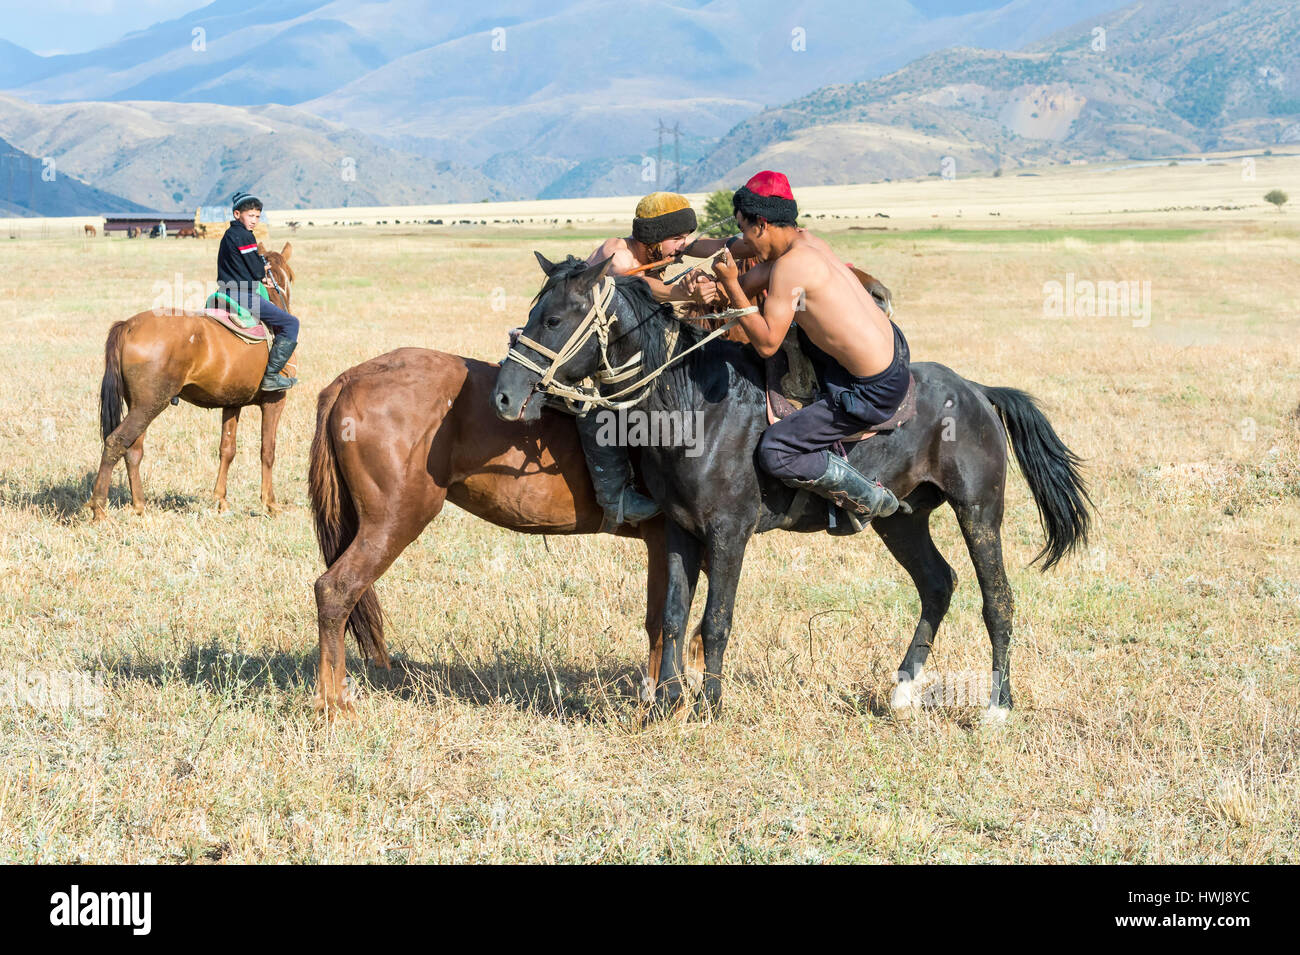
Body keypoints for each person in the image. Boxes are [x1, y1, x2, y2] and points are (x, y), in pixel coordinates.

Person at [710, 171, 908, 528]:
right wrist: (716, 283)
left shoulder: (789, 267)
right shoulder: (807, 243)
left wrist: (728, 285)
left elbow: (768, 343)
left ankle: (866, 495)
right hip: (893, 349)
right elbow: (747, 278)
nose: (743, 240)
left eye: (744, 230)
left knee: (776, 450)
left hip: (872, 391)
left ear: (762, 224)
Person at [217, 192, 299, 391]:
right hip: (243, 295)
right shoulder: (245, 236)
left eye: (257, 216)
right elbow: (254, 268)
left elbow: (238, 267)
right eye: (250, 216)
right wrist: (261, 271)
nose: (254, 221)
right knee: (290, 323)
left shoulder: (229, 235)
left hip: (224, 291)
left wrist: (258, 277)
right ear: (237, 214)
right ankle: (271, 376)